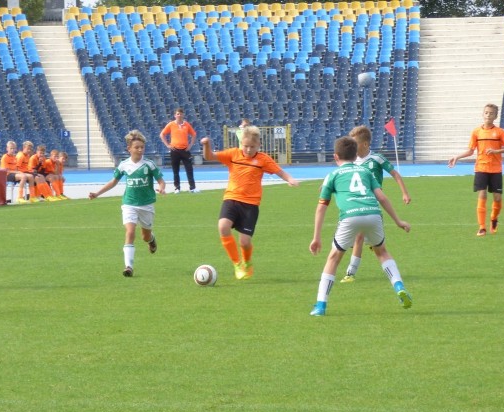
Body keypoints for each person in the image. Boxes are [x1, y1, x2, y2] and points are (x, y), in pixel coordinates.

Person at [309, 136, 413, 316]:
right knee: (382, 252)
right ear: (355, 154)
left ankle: (320, 305)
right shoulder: (366, 173)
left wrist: (316, 237)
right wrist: (398, 221)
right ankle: (399, 287)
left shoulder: (332, 175)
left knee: (333, 258)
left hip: (350, 216)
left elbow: (321, 207)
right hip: (373, 213)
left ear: (335, 156)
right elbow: (382, 198)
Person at [200, 126, 299, 280]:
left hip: (250, 205)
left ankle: (247, 262)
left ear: (258, 145)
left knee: (245, 242)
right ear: (241, 144)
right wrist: (206, 145)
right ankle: (237, 263)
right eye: (245, 146)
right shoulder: (233, 154)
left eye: (252, 147)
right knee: (223, 226)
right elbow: (209, 156)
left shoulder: (263, 159)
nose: (248, 149)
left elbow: (279, 171)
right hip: (231, 199)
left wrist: (290, 179)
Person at [89, 130, 165, 277]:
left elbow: (161, 180)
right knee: (130, 232)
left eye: (142, 147)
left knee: (145, 236)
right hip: (129, 203)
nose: (140, 150)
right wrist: (97, 193)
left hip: (146, 205)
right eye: (137, 147)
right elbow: (113, 182)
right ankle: (128, 266)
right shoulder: (124, 165)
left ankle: (151, 240)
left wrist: (161, 188)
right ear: (129, 148)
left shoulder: (149, 164)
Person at [341, 125, 412, 283]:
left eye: (355, 144)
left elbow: (395, 174)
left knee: (359, 237)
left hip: (372, 204)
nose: (352, 147)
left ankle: (350, 273)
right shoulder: (352, 162)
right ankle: (368, 249)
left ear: (365, 144)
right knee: (362, 238)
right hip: (356, 204)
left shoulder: (377, 158)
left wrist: (404, 193)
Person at [448, 103, 504, 236]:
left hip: (496, 169)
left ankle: (494, 219)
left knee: (497, 198)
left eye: (491, 113)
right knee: (482, 194)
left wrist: (497, 151)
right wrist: (457, 157)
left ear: (495, 116)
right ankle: (482, 227)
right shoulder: (476, 132)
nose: (488, 115)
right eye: (486, 112)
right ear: (482, 114)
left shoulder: (500, 132)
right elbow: (470, 151)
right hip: (481, 168)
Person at [160, 107, 199, 193]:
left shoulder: (186, 124)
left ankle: (192, 187)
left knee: (189, 168)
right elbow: (162, 134)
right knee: (175, 170)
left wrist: (190, 145)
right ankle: (177, 188)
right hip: (175, 150)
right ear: (175, 115)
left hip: (185, 150)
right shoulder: (171, 124)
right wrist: (168, 145)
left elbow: (194, 134)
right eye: (178, 114)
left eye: (181, 114)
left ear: (183, 115)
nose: (179, 115)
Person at [0, 140, 34, 205]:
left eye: (14, 148)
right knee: (23, 176)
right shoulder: (5, 157)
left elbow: (16, 168)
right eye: (11, 148)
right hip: (6, 175)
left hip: (14, 173)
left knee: (31, 177)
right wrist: (18, 172)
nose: (12, 150)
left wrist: (18, 172)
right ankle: (20, 197)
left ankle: (32, 197)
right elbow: (5, 170)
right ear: (7, 149)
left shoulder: (14, 157)